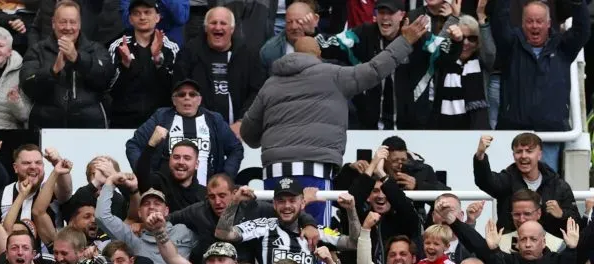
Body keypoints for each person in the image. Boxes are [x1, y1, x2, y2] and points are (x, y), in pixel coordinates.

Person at [241, 19, 430, 225]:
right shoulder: (333, 75)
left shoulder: (270, 85)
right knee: (315, 235)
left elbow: (248, 134)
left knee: (277, 236)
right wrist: (405, 41)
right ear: (319, 55)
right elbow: (375, 69)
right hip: (315, 171)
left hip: (274, 171)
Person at [316, 0, 460, 129]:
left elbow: (448, 53)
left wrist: (457, 41)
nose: (385, 17)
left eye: (390, 13)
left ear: (402, 15)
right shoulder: (362, 34)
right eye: (381, 12)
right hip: (368, 127)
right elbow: (328, 45)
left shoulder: (421, 38)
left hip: (413, 129)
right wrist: (312, 31)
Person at [490, 0, 589, 157]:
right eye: (529, 21)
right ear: (522, 24)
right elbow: (499, 22)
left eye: (539, 21)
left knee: (547, 182)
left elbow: (582, 30)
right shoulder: (510, 46)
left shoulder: (563, 48)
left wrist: (577, 3)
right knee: (510, 182)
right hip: (514, 136)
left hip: (550, 137)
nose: (534, 26)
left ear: (548, 23)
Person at [126, 80, 243, 187]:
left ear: (199, 100)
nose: (187, 98)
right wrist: (146, 176)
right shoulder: (161, 117)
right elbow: (133, 145)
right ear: (174, 100)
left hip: (206, 195)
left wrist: (225, 178)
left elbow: (236, 149)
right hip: (166, 194)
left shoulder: (214, 120)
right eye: (181, 95)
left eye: (192, 94)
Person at [20, 0, 115, 129]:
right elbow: (27, 86)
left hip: (90, 126)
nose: (68, 27)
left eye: (73, 22)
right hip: (47, 126)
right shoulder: (37, 50)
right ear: (53, 23)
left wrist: (78, 59)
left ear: (80, 24)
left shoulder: (96, 49)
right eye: (63, 22)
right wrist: (53, 71)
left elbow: (105, 79)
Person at [173, 6, 266, 126]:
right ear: (206, 28)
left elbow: (257, 93)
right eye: (213, 23)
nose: (218, 27)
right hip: (199, 127)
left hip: (240, 130)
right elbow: (180, 91)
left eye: (223, 23)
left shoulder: (248, 55)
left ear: (232, 29)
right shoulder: (188, 54)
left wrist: (243, 121)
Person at [473, 133, 579, 235]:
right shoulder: (507, 179)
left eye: (529, 151)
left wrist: (561, 214)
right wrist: (480, 155)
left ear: (539, 154)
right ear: (513, 155)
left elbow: (577, 223)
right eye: (519, 151)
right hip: (510, 249)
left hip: (550, 250)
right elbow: (485, 181)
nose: (523, 156)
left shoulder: (558, 185)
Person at [108, 0, 180, 128]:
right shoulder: (117, 46)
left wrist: (158, 61)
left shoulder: (171, 48)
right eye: (137, 13)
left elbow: (176, 89)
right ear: (130, 19)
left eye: (147, 12)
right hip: (123, 121)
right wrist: (125, 66)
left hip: (160, 123)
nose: (142, 17)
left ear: (158, 17)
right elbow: (107, 88)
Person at [431, 15, 493, 130]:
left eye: (472, 39)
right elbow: (435, 48)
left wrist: (482, 20)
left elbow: (490, 52)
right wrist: (453, 20)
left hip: (476, 129)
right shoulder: (443, 62)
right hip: (442, 129)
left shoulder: (482, 63)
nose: (465, 43)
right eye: (461, 37)